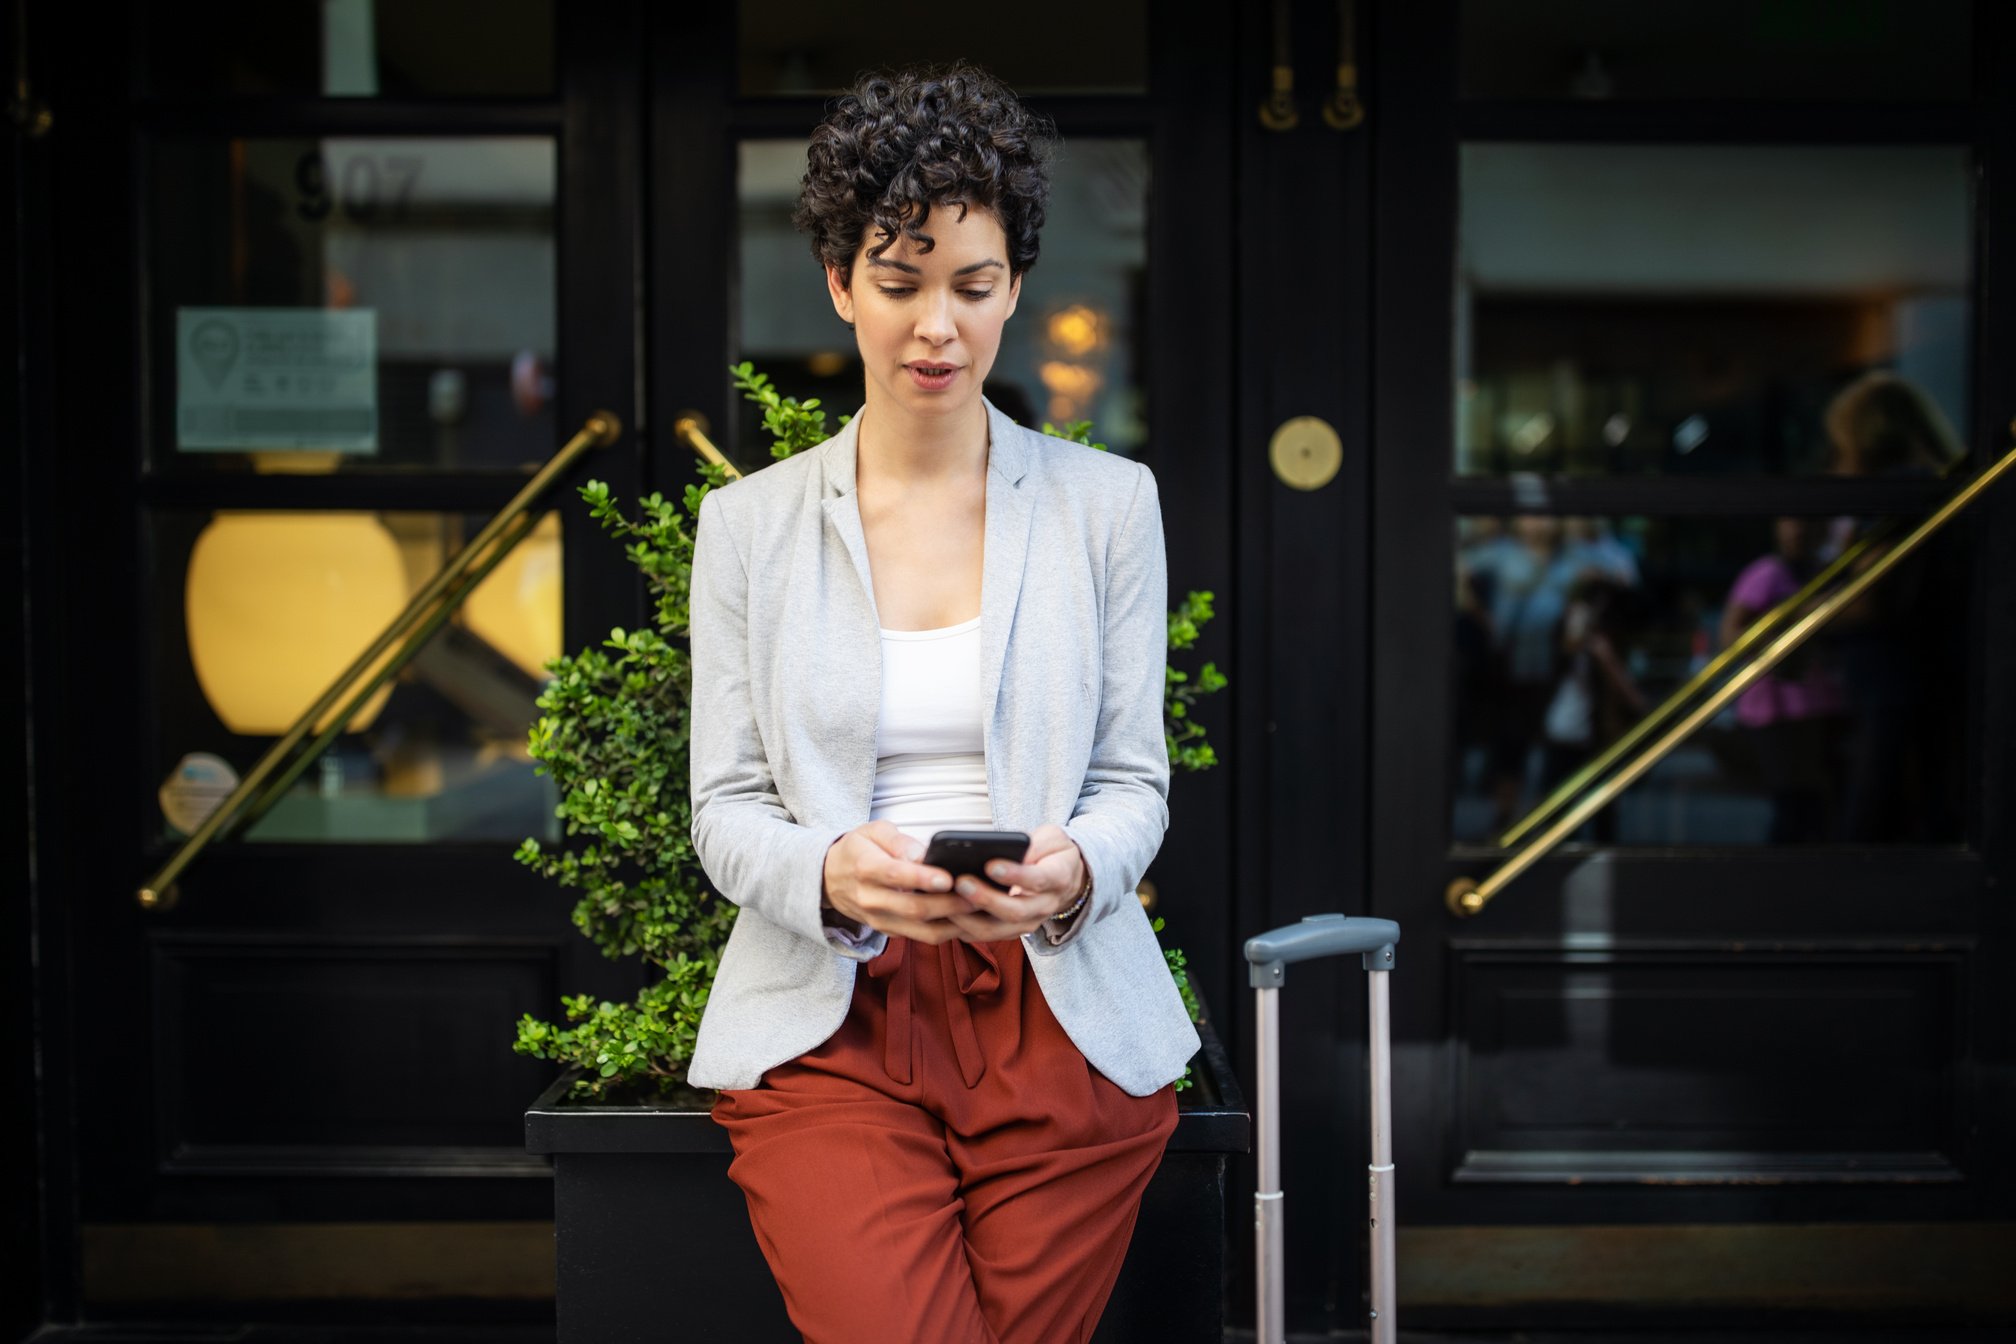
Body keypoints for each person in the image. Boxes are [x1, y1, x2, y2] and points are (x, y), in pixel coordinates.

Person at [683, 63, 1200, 1344]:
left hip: (1057, 1012)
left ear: (1015, 288)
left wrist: (1078, 865)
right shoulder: (747, 526)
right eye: (900, 285)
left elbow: (1136, 776)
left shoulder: (1106, 506)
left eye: (972, 289)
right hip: (833, 1015)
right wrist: (830, 874)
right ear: (841, 286)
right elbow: (724, 805)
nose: (937, 329)